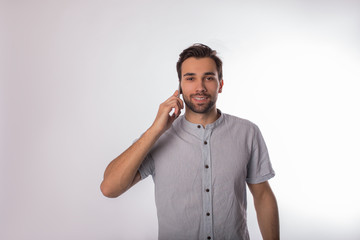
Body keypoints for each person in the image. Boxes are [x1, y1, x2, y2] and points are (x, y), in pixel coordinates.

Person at [100, 43, 279, 240]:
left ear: (220, 85)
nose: (200, 87)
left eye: (208, 78)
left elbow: (263, 196)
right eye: (190, 78)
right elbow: (109, 188)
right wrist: (155, 130)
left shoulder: (248, 133)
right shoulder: (158, 138)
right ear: (180, 86)